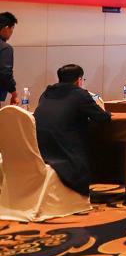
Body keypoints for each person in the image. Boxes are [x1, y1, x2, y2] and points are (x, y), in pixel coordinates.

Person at [33, 64, 111, 196]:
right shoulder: (79, 94)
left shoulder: (46, 94)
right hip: (65, 155)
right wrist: (108, 114)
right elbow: (102, 118)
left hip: (39, 153)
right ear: (79, 80)